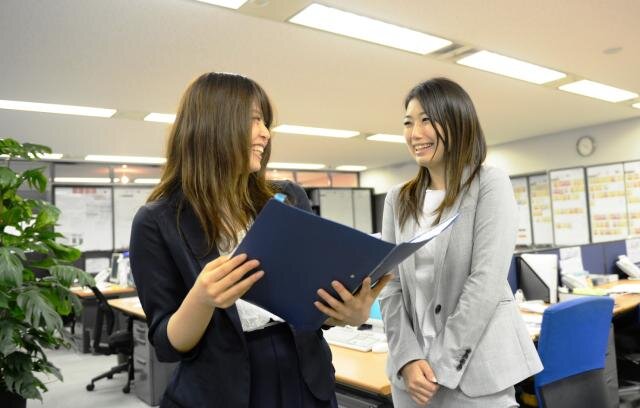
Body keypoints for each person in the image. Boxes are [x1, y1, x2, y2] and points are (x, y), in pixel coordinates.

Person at [129, 72, 388, 408]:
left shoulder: (288, 197)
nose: (266, 133)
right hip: (222, 391)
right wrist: (202, 299)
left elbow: (308, 303)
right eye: (254, 120)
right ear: (214, 125)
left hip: (306, 382)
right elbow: (167, 344)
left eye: (265, 122)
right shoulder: (157, 221)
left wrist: (345, 314)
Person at [379, 77, 542, 407]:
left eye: (427, 120)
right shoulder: (398, 199)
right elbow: (389, 285)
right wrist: (408, 359)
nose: (415, 133)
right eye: (408, 123)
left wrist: (438, 366)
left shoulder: (489, 184)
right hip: (411, 377)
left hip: (475, 374)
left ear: (456, 122)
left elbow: (485, 282)